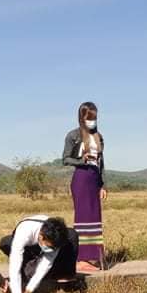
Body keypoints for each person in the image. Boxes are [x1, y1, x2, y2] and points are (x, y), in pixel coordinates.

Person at [0, 215, 78, 293]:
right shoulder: (24, 232)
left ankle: (63, 273)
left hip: (39, 249)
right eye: (50, 247)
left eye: (54, 248)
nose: (52, 250)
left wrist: (30, 288)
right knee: (6, 243)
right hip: (28, 247)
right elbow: (14, 266)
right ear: (41, 236)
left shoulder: (55, 239)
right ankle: (29, 264)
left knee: (72, 234)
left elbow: (46, 264)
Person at [63, 101, 107, 272]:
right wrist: (82, 159)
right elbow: (65, 159)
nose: (92, 121)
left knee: (95, 219)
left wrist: (103, 185)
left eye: (94, 117)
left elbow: (102, 163)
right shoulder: (73, 135)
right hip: (81, 178)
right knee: (83, 218)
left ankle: (94, 257)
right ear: (81, 118)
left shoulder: (99, 137)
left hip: (94, 179)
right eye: (89, 118)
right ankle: (80, 259)